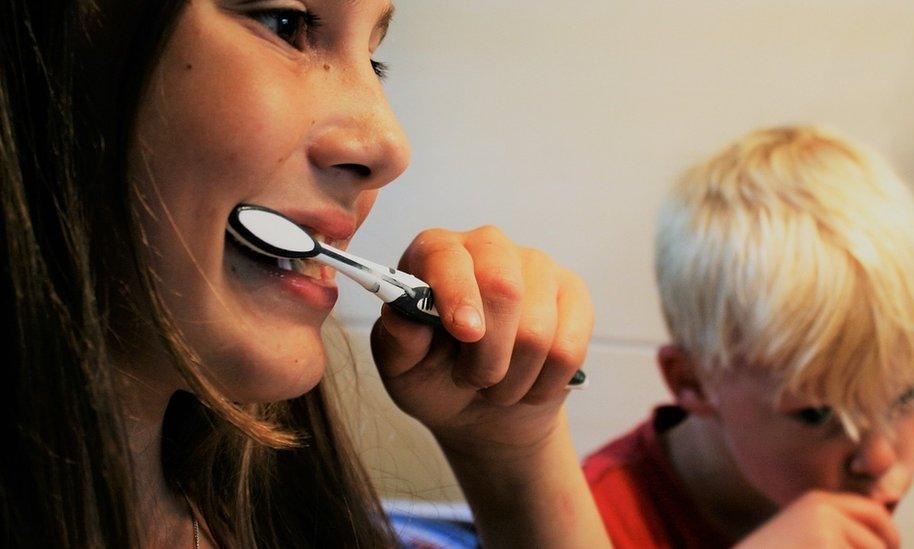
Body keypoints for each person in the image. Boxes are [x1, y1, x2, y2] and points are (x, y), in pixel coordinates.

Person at [0, 0, 611, 547]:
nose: (389, 146)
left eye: (375, 62)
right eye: (285, 23)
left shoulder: (284, 512)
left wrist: (512, 452)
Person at [583, 126, 914, 548]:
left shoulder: (831, 501)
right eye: (819, 413)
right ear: (691, 381)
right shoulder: (585, 526)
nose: (880, 459)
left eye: (907, 396)